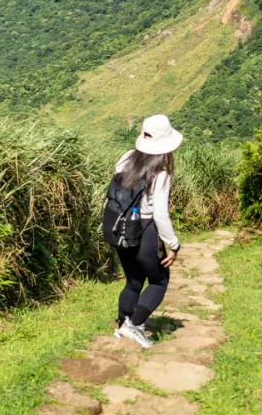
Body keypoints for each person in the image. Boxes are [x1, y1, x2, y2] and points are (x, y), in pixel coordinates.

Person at [112, 113, 183, 349]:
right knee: (159, 281)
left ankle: (123, 324)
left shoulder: (125, 160)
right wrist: (173, 244)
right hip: (144, 230)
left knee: (133, 281)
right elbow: (160, 214)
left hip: (120, 228)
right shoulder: (160, 173)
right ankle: (134, 325)